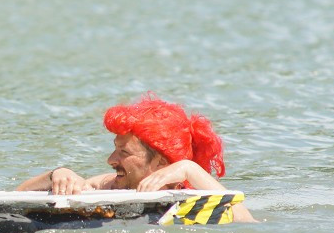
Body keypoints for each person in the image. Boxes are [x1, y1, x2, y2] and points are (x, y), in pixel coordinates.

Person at [17, 93, 254, 222]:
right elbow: (18, 197)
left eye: (124, 152)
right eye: (115, 149)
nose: (111, 159)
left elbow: (246, 220)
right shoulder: (110, 184)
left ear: (161, 162)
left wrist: (188, 168)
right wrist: (57, 174)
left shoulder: (195, 193)